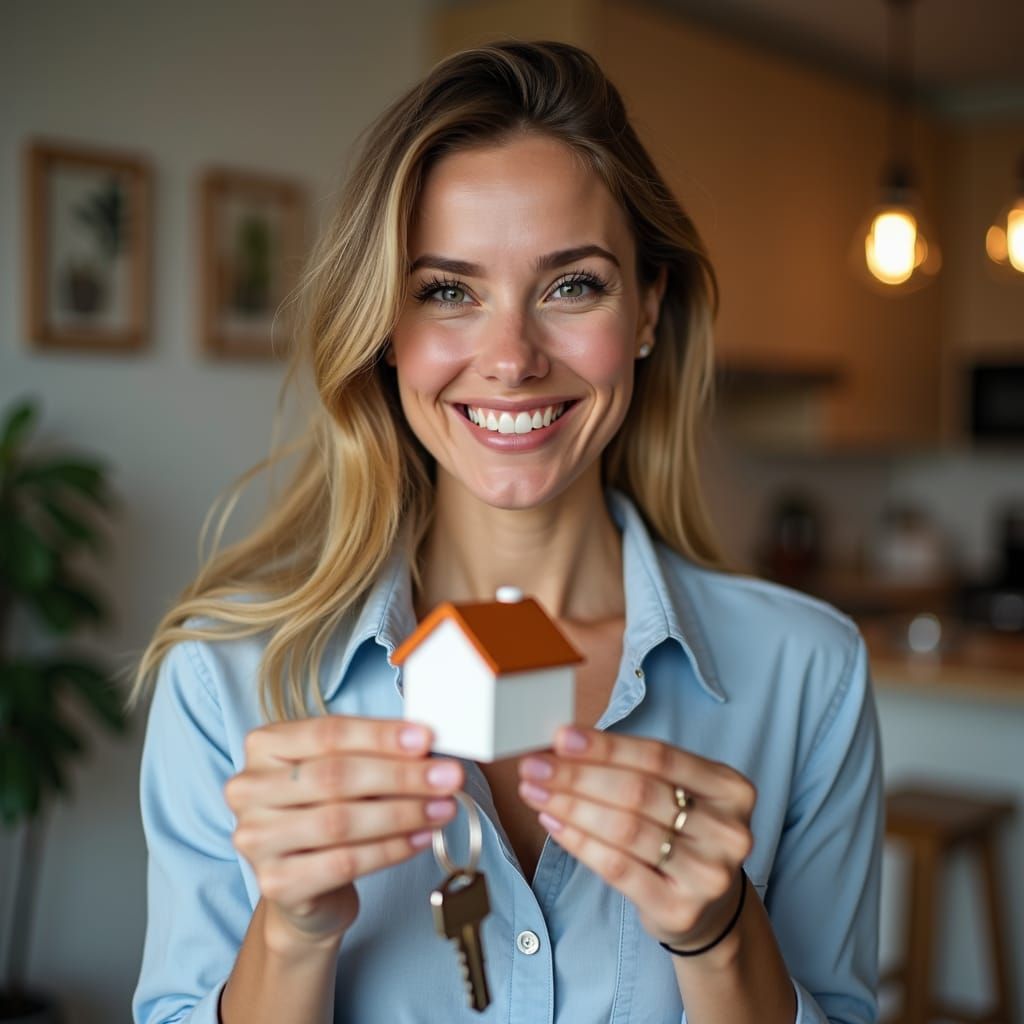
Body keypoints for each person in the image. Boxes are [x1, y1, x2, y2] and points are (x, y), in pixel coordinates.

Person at [131, 40, 882, 1024]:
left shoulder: (805, 672)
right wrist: (291, 935)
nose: (512, 358)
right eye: (447, 290)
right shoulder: (224, 677)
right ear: (384, 330)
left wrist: (722, 936)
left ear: (649, 306)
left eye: (572, 285)